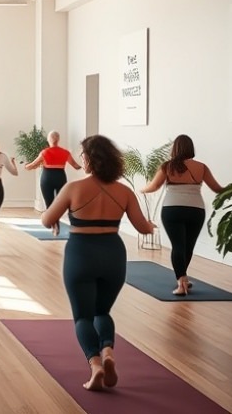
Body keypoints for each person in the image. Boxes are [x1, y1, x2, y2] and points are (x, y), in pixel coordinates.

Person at [41, 135, 153, 391]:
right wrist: (151, 225)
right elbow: (143, 227)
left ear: (90, 160)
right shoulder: (124, 192)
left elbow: (48, 220)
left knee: (83, 317)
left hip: (81, 254)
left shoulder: (73, 189)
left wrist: (49, 215)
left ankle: (95, 366)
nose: (81, 159)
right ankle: (109, 353)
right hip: (113, 254)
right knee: (102, 312)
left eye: (83, 156)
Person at [141, 134, 224, 295]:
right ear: (191, 148)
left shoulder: (167, 166)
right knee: (188, 246)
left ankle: (181, 283)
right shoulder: (202, 167)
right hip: (195, 210)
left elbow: (154, 186)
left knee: (178, 246)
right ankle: (183, 277)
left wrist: (141, 189)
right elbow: (217, 188)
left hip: (172, 209)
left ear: (175, 148)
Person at [25, 130, 82, 235]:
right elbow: (76, 166)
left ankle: (55, 226)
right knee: (60, 203)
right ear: (58, 139)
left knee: (49, 204)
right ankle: (58, 223)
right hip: (60, 177)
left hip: (47, 178)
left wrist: (25, 165)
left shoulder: (45, 152)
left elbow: (32, 166)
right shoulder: (65, 152)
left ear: (48, 139)